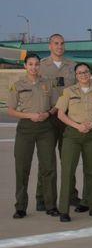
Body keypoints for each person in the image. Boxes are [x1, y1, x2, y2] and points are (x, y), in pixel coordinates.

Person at [55, 63, 92, 222]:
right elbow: (60, 114)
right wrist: (77, 126)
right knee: (68, 172)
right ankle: (64, 210)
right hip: (72, 135)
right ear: (76, 76)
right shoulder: (68, 92)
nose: (83, 75)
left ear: (90, 73)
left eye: (86, 72)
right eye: (80, 73)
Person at [8, 53, 58, 218]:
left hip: (45, 128)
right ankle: (20, 207)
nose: (34, 67)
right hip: (26, 128)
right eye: (30, 64)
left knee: (48, 167)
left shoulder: (48, 84)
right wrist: (30, 116)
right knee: (22, 168)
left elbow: (55, 106)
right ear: (25, 66)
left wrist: (48, 114)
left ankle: (50, 205)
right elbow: (11, 110)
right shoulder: (17, 85)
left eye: (37, 64)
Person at [39, 33, 78, 209]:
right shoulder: (40, 66)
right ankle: (42, 197)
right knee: (46, 160)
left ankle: (71, 195)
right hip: (47, 117)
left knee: (68, 158)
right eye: (56, 43)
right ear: (50, 46)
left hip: (68, 117)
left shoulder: (73, 66)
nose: (59, 46)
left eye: (62, 43)